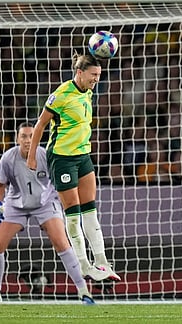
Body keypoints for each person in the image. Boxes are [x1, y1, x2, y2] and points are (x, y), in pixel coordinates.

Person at [27, 52, 120, 282]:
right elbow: (40, 125)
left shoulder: (87, 92)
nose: (96, 79)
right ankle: (83, 264)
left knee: (90, 210)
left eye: (99, 75)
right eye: (93, 75)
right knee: (73, 212)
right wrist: (31, 156)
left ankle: (101, 261)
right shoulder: (61, 95)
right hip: (62, 158)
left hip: (83, 156)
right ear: (79, 73)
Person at [0, 122, 95, 306]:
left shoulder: (46, 156)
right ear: (18, 139)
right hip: (16, 204)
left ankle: (84, 292)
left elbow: (60, 181)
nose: (28, 140)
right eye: (24, 136)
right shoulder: (8, 158)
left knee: (62, 243)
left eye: (31, 136)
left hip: (45, 203)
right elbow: (0, 186)